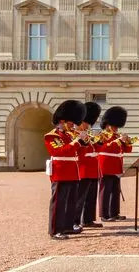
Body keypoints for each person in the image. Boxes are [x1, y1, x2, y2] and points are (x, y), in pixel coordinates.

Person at [44, 100, 85, 239]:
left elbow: (77, 153)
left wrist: (83, 142)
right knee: (59, 203)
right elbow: (61, 151)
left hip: (73, 171)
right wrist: (77, 142)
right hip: (61, 172)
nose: (73, 126)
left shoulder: (69, 135)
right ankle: (55, 230)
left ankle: (67, 226)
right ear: (62, 121)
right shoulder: (52, 136)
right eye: (70, 123)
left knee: (71, 201)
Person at [97, 106, 132, 222]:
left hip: (116, 166)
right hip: (106, 165)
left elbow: (127, 150)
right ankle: (104, 214)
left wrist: (127, 142)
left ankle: (114, 213)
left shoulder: (117, 136)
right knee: (105, 190)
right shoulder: (101, 135)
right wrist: (118, 141)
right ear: (107, 125)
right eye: (114, 126)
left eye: (117, 126)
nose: (116, 128)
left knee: (115, 191)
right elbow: (103, 148)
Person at [74, 101, 102, 230]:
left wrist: (99, 141)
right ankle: (75, 221)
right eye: (86, 123)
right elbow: (77, 151)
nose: (87, 126)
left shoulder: (87, 135)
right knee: (79, 198)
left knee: (91, 197)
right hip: (82, 169)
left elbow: (95, 148)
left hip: (92, 170)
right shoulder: (74, 135)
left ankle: (88, 219)